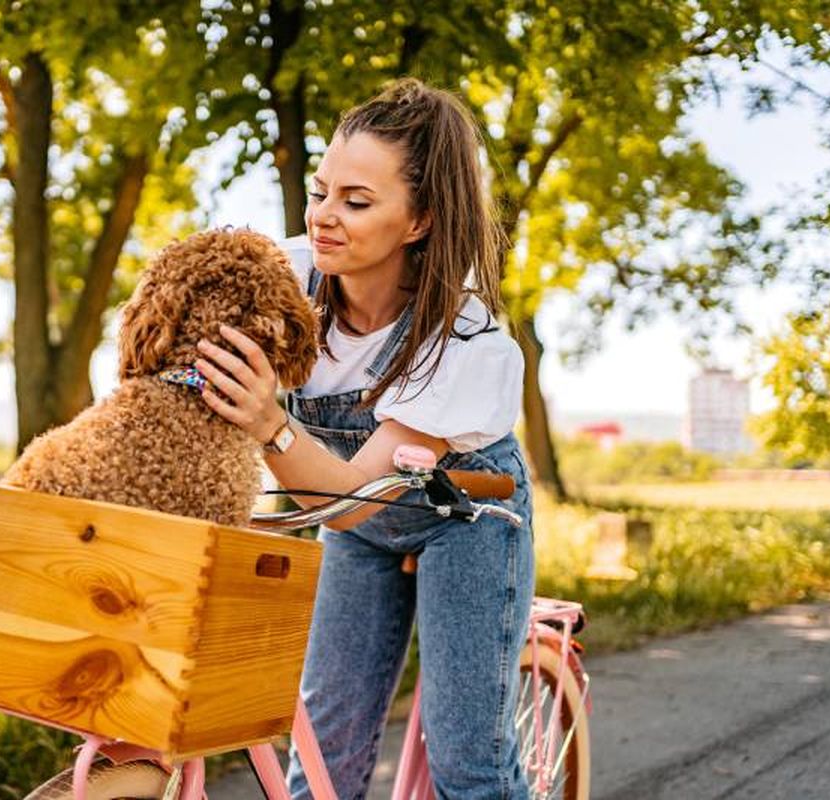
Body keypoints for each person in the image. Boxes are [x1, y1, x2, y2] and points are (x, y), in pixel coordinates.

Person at [193, 78, 534, 800]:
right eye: (321, 192)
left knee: (467, 765)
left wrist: (267, 423)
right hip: (351, 514)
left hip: (463, 517)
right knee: (320, 759)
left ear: (418, 222)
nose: (324, 218)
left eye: (356, 202)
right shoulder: (283, 275)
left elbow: (352, 501)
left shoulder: (463, 341)